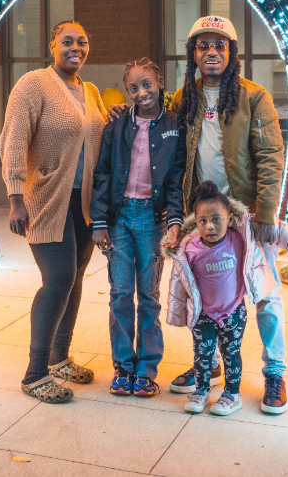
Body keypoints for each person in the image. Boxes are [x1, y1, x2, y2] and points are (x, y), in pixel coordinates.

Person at [161, 14, 288, 415]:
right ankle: (208, 367)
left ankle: (275, 373)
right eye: (203, 45)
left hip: (246, 216)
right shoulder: (183, 98)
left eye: (220, 45)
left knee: (265, 293)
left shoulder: (253, 96)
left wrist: (266, 210)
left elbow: (270, 155)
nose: (211, 52)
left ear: (232, 53)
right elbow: (173, 161)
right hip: (204, 221)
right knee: (207, 297)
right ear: (193, 53)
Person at [0, 20, 107, 403]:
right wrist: (15, 197)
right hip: (45, 199)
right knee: (58, 278)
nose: (75, 47)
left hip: (84, 203)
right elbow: (14, 141)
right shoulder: (33, 85)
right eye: (67, 41)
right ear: (52, 46)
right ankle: (35, 373)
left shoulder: (91, 91)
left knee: (75, 277)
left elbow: (102, 138)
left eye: (82, 41)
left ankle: (60, 358)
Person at [89, 58, 186, 398]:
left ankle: (146, 368)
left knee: (149, 295)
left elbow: (176, 180)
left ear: (159, 82)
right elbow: (102, 173)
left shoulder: (175, 124)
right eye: (134, 87)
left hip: (152, 220)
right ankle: (123, 366)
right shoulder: (116, 125)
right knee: (119, 294)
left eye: (147, 84)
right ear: (127, 90)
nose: (141, 92)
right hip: (119, 219)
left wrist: (175, 221)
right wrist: (98, 221)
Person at [164, 181, 272, 416]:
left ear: (229, 218)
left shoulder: (237, 238)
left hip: (233, 311)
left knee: (231, 353)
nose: (210, 226)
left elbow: (272, 227)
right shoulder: (190, 249)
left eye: (216, 219)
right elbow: (181, 279)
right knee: (202, 355)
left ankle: (233, 394)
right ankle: (201, 391)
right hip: (203, 314)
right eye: (203, 221)